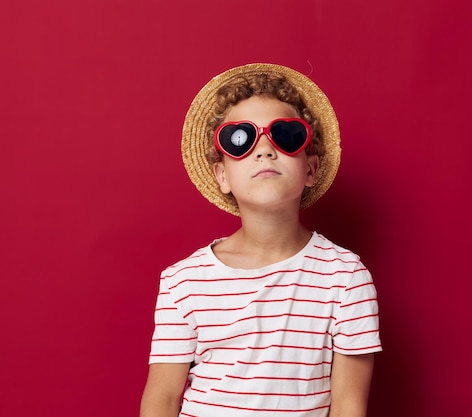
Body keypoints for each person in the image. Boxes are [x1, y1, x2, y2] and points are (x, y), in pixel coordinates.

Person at [140, 63, 381, 417]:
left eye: (284, 136)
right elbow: (161, 399)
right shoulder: (184, 281)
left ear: (311, 169)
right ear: (222, 176)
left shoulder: (345, 278)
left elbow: (348, 405)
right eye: (240, 138)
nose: (264, 150)